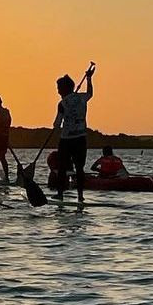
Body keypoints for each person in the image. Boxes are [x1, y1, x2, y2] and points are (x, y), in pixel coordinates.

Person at [53, 65, 96, 204]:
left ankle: (60, 194)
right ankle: (80, 196)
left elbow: (57, 123)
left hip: (66, 139)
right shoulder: (82, 98)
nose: (57, 90)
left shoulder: (62, 103)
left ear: (64, 89)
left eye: (59, 88)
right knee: (79, 168)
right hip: (81, 138)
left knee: (62, 167)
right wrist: (89, 78)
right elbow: (90, 93)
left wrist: (54, 126)